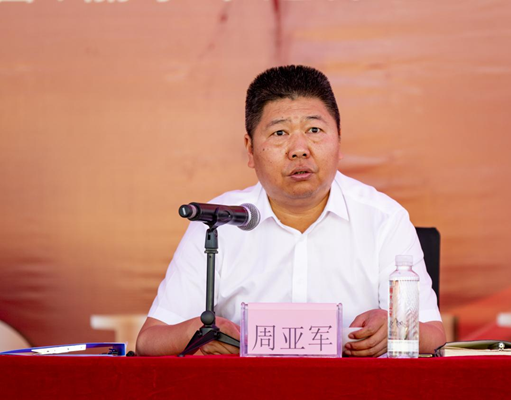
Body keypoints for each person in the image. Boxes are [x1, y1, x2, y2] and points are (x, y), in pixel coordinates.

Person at [136, 65, 446, 357]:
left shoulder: (384, 218)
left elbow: (435, 336)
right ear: (250, 149)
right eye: (279, 133)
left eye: (314, 129)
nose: (299, 149)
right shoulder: (219, 222)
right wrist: (197, 332)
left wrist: (395, 329)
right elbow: (150, 340)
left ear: (339, 141)